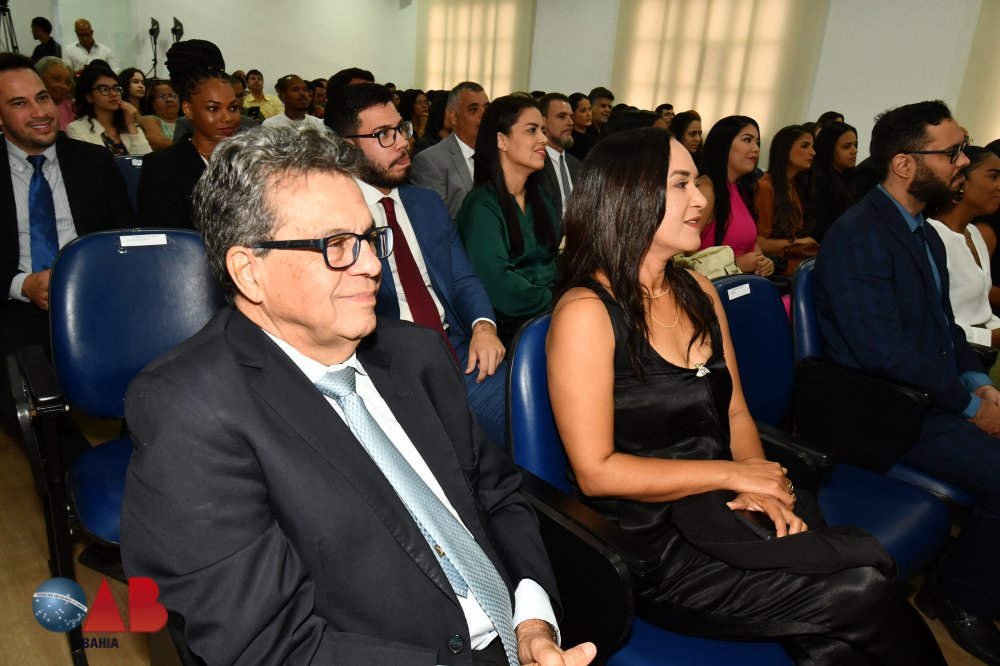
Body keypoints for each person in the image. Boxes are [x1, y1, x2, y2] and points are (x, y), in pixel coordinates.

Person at [120, 124, 596, 666]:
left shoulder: (416, 353)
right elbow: (269, 646)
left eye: (370, 239)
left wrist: (533, 622)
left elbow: (499, 495)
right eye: (336, 246)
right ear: (249, 272)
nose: (372, 264)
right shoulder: (188, 410)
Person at [547, 126, 945, 665]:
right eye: (681, 184)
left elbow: (734, 411)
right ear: (628, 195)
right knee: (860, 590)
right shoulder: (586, 314)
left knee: (842, 605)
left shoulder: (698, 290)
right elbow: (596, 472)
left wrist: (762, 489)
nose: (700, 199)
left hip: (724, 504)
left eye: (696, 182)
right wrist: (736, 476)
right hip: (653, 542)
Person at [816, 100, 1000, 665]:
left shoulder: (923, 233)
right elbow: (881, 353)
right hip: (885, 410)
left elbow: (945, 325)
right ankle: (958, 596)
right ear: (903, 164)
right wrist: (968, 405)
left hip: (928, 396)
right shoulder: (859, 236)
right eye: (952, 152)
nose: (963, 162)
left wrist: (978, 381)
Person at [326, 83, 510, 447]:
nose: (401, 142)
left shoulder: (425, 203)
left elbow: (463, 278)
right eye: (383, 134)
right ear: (348, 147)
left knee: (528, 410)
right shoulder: (333, 218)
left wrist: (484, 327)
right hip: (386, 361)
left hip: (454, 346)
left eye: (401, 128)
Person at [0, 51, 135, 370]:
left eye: (42, 97)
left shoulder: (94, 161)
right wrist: (23, 284)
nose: (40, 112)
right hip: (13, 308)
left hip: (95, 298)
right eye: (19, 103)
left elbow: (126, 236)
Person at [456, 96, 561, 345]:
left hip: (551, 314)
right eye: (532, 130)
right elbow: (498, 285)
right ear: (502, 140)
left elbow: (554, 260)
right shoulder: (482, 206)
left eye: (543, 130)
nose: (543, 139)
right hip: (512, 329)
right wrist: (560, 300)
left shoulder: (540, 198)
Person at [137, 40, 239, 229]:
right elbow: (165, 237)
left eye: (233, 107)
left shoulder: (252, 161)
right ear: (188, 110)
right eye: (213, 108)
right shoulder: (161, 167)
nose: (227, 118)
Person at [926, 146, 1000, 348]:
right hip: (954, 351)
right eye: (993, 177)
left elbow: (982, 313)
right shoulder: (932, 237)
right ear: (960, 180)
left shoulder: (973, 233)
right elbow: (931, 322)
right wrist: (988, 338)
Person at [696, 116, 774, 276]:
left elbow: (749, 244)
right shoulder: (706, 189)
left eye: (757, 142)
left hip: (740, 284)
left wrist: (764, 262)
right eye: (747, 140)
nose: (756, 149)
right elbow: (680, 257)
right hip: (708, 287)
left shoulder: (742, 189)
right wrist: (734, 264)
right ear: (723, 144)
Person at [411, 81, 489, 219]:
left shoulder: (497, 155)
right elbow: (436, 222)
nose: (483, 115)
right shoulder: (430, 161)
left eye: (486, 108)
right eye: (473, 109)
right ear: (454, 118)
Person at [754, 125, 819, 275]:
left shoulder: (794, 185)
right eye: (805, 146)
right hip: (776, 269)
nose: (813, 152)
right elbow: (759, 242)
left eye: (813, 146)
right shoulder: (765, 187)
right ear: (785, 148)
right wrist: (798, 242)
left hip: (796, 265)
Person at [66, 63, 151, 156]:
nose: (113, 94)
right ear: (89, 96)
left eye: (116, 88)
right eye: (104, 89)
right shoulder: (76, 129)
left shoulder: (128, 125)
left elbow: (147, 160)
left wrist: (131, 125)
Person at [810, 121, 858, 241]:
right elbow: (821, 231)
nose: (854, 151)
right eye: (847, 146)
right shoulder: (819, 182)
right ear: (828, 148)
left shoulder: (848, 177)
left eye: (855, 145)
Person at [538, 92, 581, 219]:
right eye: (562, 116)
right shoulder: (535, 164)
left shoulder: (576, 164)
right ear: (543, 122)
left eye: (571, 117)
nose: (570, 122)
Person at [34, 56, 75, 130]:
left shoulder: (73, 107)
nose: (64, 86)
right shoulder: (28, 107)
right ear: (39, 77)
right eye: (56, 79)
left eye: (68, 82)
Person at [137, 80, 179, 150]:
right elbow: (159, 143)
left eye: (172, 96)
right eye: (162, 97)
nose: (169, 100)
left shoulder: (189, 120)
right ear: (153, 103)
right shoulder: (148, 119)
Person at [565, 92, 596, 162]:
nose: (589, 114)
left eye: (590, 109)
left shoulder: (594, 136)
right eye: (583, 111)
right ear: (572, 114)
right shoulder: (568, 140)